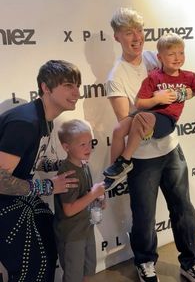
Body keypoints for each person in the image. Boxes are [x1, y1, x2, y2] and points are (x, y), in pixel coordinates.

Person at [105, 7, 195, 282]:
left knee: (184, 210)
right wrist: (152, 104)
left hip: (171, 149)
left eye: (139, 31)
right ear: (117, 37)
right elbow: (124, 120)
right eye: (129, 32)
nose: (137, 37)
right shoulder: (116, 76)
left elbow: (182, 82)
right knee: (144, 217)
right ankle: (144, 262)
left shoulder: (155, 56)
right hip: (142, 158)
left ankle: (191, 262)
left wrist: (184, 91)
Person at [0, 60, 82, 282]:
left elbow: (30, 161)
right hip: (5, 201)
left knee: (46, 242)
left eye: (77, 85)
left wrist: (64, 164)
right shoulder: (25, 122)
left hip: (16, 197)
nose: (77, 92)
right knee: (34, 263)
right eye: (68, 85)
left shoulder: (45, 119)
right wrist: (48, 186)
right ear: (46, 88)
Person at [104, 32, 195, 183]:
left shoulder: (189, 77)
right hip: (148, 115)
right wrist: (157, 99)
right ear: (159, 58)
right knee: (119, 129)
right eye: (172, 54)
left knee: (141, 117)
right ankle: (114, 174)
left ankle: (125, 162)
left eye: (181, 53)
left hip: (167, 120)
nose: (177, 58)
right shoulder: (154, 76)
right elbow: (140, 103)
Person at [54, 119, 106, 282]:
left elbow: (85, 196)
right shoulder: (68, 172)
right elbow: (69, 209)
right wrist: (92, 194)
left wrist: (97, 199)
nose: (89, 148)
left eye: (90, 143)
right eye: (82, 144)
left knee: (88, 271)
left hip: (86, 228)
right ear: (66, 147)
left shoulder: (84, 165)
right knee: (73, 276)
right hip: (72, 235)